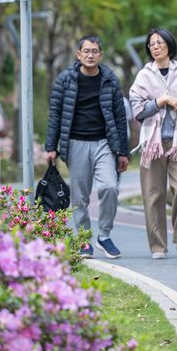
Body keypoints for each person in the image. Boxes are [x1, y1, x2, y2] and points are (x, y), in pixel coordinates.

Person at [45, 35, 130, 259]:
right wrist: (50, 146)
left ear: (101, 55)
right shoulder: (65, 80)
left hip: (104, 143)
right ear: (79, 54)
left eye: (95, 51)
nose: (90, 55)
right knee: (80, 197)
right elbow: (55, 114)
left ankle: (104, 235)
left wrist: (122, 151)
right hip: (75, 143)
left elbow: (120, 118)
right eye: (86, 51)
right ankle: (83, 239)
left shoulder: (110, 79)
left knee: (110, 187)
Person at [129, 28, 177, 260]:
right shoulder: (144, 75)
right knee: (153, 196)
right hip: (152, 145)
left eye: (160, 42)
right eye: (152, 44)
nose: (155, 47)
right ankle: (157, 246)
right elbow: (137, 110)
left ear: (169, 45)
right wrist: (160, 101)